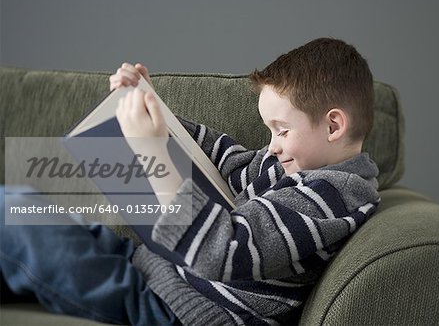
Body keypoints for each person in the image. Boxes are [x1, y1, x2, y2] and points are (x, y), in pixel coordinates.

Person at [0, 38, 380, 325]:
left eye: (281, 130)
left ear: (333, 125)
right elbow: (228, 163)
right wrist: (154, 110)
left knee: (15, 218)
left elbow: (222, 251)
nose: (272, 147)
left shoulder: (329, 198)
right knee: (23, 205)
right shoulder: (295, 167)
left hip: (173, 307)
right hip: (155, 266)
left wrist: (152, 153)